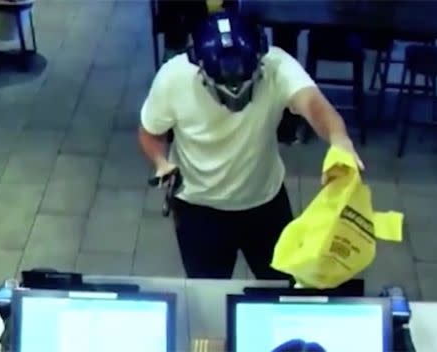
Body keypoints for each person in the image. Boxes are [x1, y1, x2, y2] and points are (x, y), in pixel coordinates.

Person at [138, 12, 364, 280]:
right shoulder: (172, 78)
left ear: (260, 59)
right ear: (199, 68)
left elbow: (315, 106)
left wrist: (340, 140)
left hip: (264, 202)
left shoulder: (277, 66)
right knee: (210, 294)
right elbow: (149, 133)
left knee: (283, 287)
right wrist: (161, 163)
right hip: (199, 208)